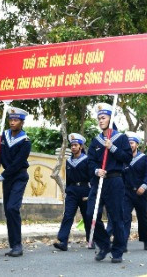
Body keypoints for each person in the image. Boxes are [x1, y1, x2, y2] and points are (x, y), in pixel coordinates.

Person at [86, 103, 131, 264]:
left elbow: (127, 158)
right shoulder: (96, 141)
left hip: (115, 180)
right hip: (99, 181)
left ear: (111, 119)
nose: (100, 121)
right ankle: (105, 244)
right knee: (90, 214)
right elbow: (90, 162)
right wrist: (96, 170)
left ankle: (118, 250)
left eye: (103, 117)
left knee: (116, 216)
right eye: (98, 118)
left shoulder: (121, 138)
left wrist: (112, 148)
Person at [0, 106, 32, 257]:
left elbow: (17, 164)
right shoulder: (3, 137)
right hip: (7, 178)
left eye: (16, 120)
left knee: (13, 208)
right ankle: (13, 245)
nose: (12, 122)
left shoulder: (26, 141)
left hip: (19, 176)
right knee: (8, 210)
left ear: (21, 123)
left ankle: (18, 245)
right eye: (11, 119)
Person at [54, 133, 92, 251]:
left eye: (76, 145)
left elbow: (92, 177)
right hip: (72, 191)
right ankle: (62, 241)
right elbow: (68, 178)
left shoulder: (87, 160)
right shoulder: (68, 161)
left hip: (85, 190)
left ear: (80, 146)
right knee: (68, 215)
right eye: (72, 145)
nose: (73, 147)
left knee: (87, 217)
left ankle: (91, 240)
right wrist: (67, 191)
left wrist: (91, 193)